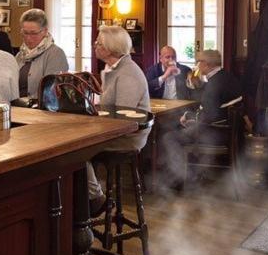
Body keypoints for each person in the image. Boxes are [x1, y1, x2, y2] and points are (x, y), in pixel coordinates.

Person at [87, 25, 151, 216]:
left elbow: (122, 117)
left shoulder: (128, 73)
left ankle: (95, 199)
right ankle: (84, 202)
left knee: (75, 152)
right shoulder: (114, 68)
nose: (95, 46)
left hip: (129, 137)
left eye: (99, 43)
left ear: (110, 48)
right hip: (118, 130)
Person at [159, 49, 242, 190]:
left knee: (170, 137)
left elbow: (210, 115)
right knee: (179, 129)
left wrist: (190, 118)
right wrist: (192, 117)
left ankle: (180, 179)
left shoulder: (214, 84)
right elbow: (211, 107)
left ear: (206, 64)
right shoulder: (225, 77)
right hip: (227, 131)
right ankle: (191, 174)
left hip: (216, 133)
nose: (197, 65)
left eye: (198, 62)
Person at [15, 9, 68, 99]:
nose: (28, 38)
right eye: (25, 33)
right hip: (18, 106)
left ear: (45, 31)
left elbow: (51, 91)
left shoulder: (55, 54)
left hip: (42, 107)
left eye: (33, 33)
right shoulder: (20, 55)